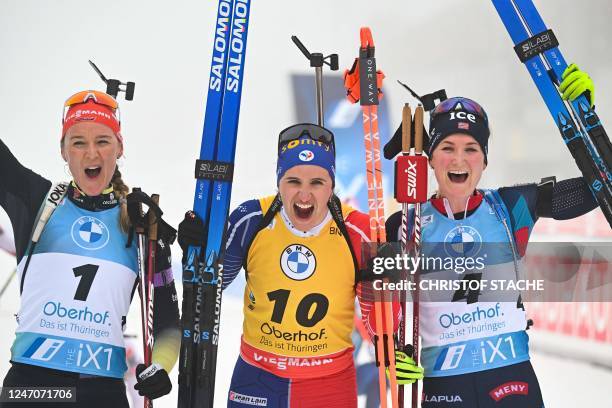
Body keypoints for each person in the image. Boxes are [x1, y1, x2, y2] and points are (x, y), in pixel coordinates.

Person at [384, 64, 600, 407]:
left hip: (510, 380)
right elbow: (380, 309)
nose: (459, 159)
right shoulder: (404, 224)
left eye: (471, 148)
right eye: (448, 147)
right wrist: (391, 356)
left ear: (484, 160)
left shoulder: (511, 206)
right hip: (443, 388)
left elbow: (598, 186)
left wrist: (587, 116)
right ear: (431, 159)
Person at [178, 123, 424, 407]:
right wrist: (196, 251)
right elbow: (210, 287)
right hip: (258, 377)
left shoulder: (360, 231)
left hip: (328, 384)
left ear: (331, 185)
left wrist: (389, 341)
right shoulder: (250, 220)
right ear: (279, 182)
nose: (304, 195)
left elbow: (376, 323)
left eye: (316, 182)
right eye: (293, 181)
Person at [0, 90, 180, 407]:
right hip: (31, 388)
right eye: (78, 142)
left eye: (102, 141)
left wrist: (161, 367)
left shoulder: (141, 226)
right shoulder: (37, 201)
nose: (90, 154)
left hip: (101, 393)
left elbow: (168, 325)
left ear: (120, 147)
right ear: (63, 150)